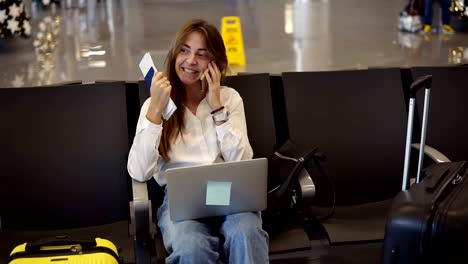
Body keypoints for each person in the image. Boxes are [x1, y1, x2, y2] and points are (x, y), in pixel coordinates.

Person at [127, 18, 269, 264]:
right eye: (184, 50)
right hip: (181, 202)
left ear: (215, 63)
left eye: (201, 54)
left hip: (229, 193)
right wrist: (156, 113)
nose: (191, 61)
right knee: (191, 246)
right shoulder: (156, 104)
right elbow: (139, 171)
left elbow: (242, 160)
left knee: (246, 232)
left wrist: (217, 110)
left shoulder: (229, 98)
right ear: (174, 55)